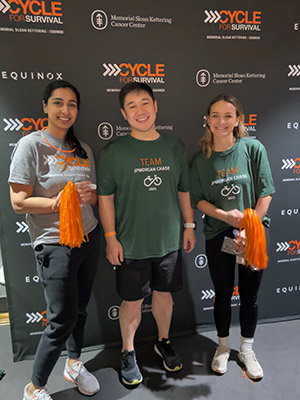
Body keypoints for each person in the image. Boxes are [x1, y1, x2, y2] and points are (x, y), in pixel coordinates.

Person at [97, 82, 196, 385]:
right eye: (132, 106)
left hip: (168, 241)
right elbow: (105, 198)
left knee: (164, 296)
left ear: (155, 107)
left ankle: (163, 341)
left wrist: (189, 225)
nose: (140, 111)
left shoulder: (175, 146)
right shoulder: (113, 151)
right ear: (124, 114)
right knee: (132, 302)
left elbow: (184, 190)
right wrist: (111, 237)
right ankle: (128, 352)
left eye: (145, 103)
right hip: (130, 244)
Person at [9, 80, 100, 400]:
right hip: (54, 243)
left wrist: (89, 196)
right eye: (58, 103)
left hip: (89, 237)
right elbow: (18, 202)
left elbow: (91, 194)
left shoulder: (83, 149)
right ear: (45, 106)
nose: (66, 110)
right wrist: (56, 203)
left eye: (72, 104)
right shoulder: (30, 146)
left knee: (81, 310)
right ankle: (34, 387)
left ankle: (74, 364)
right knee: (61, 318)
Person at [190, 93, 275, 380]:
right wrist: (226, 216)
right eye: (215, 115)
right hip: (219, 234)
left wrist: (251, 227)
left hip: (253, 235)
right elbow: (199, 200)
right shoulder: (200, 159)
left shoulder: (253, 149)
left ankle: (247, 350)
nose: (221, 122)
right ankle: (223, 347)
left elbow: (266, 193)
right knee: (223, 295)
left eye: (228, 116)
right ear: (207, 119)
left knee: (249, 296)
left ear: (238, 120)